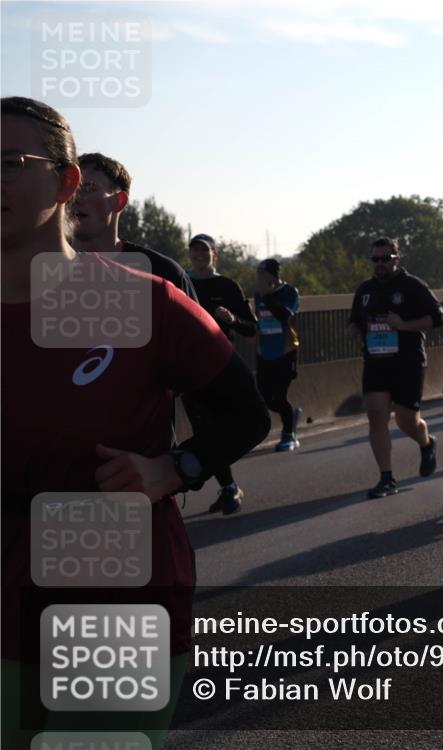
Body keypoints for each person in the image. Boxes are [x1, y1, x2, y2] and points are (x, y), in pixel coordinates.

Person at [0, 96, 269, 750]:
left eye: (10, 162)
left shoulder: (143, 300)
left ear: (66, 183)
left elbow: (246, 413)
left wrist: (174, 468)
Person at [348, 238, 443, 498]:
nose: (379, 264)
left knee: (405, 420)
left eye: (385, 258)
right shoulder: (365, 290)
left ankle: (426, 442)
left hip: (408, 362)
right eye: (375, 259)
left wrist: (403, 325)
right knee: (376, 415)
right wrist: (354, 330)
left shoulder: (412, 286)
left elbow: (438, 317)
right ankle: (386, 478)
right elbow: (355, 320)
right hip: (376, 362)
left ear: (396, 258)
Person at [187, 233, 258, 513]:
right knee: (202, 428)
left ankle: (226, 485)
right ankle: (228, 486)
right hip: (187, 365)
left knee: (218, 427)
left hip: (219, 365)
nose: (199, 255)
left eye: (204, 251)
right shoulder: (183, 282)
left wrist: (232, 320)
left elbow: (251, 329)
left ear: (214, 254)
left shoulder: (227, 286)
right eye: (194, 250)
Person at [71, 152, 197, 301]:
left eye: (88, 188)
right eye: (70, 188)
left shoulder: (163, 274)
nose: (75, 198)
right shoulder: (43, 269)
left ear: (120, 201)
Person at [254, 258, 302, 450]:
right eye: (257, 273)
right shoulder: (258, 294)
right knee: (265, 398)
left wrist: (267, 296)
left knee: (279, 396)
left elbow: (285, 315)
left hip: (285, 351)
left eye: (262, 273)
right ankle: (291, 414)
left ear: (273, 275)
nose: (258, 277)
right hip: (264, 352)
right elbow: (258, 318)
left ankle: (289, 434)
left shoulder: (289, 292)